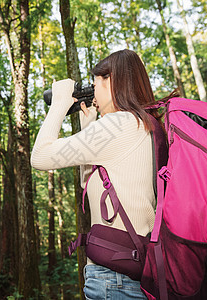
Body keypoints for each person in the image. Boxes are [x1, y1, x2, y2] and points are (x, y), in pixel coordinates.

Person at [31, 49, 165, 299]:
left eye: (96, 84)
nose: (94, 93)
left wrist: (59, 104)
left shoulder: (118, 124)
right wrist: (89, 127)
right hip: (133, 271)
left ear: (111, 81)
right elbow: (93, 187)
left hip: (113, 280)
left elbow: (39, 157)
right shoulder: (146, 124)